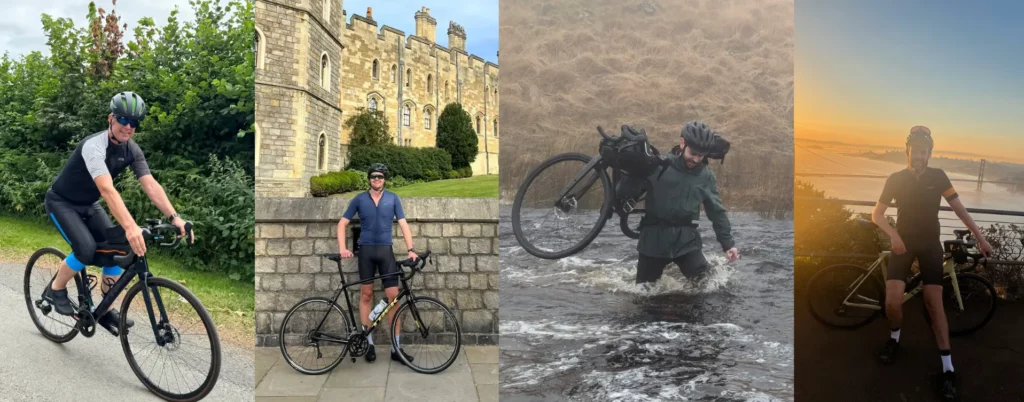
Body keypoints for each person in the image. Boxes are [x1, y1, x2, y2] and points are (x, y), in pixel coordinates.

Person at [42, 91, 195, 336]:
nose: (128, 127)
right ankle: (56, 288)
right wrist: (131, 226)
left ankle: (106, 307)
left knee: (119, 246)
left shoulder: (132, 150)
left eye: (134, 123)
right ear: (111, 119)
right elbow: (107, 189)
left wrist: (174, 216)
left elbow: (151, 185)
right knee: (85, 249)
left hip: (88, 204)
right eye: (123, 120)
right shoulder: (94, 147)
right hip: (62, 202)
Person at [871, 125, 992, 401]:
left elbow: (959, 210)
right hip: (902, 245)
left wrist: (981, 238)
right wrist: (893, 236)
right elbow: (877, 215)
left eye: (925, 151)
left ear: (930, 153)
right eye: (916, 150)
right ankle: (895, 339)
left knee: (933, 302)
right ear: (907, 151)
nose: (920, 155)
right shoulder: (895, 178)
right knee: (891, 302)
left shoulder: (939, 177)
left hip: (929, 245)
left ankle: (948, 369)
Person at [633, 121, 740, 286]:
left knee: (710, 287)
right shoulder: (657, 167)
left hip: (687, 243)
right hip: (653, 242)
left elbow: (716, 212)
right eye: (693, 153)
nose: (696, 159)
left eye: (701, 155)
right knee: (643, 295)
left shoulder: (706, 177)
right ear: (683, 142)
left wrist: (728, 245)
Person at [337, 163, 418, 364]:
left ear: (385, 179)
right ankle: (368, 344)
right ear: (369, 179)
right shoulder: (359, 199)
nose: (376, 179)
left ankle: (395, 348)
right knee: (366, 295)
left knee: (393, 299)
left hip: (385, 252)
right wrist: (342, 248)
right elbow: (342, 223)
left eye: (380, 176)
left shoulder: (393, 198)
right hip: (365, 252)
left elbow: (404, 224)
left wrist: (411, 249)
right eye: (373, 176)